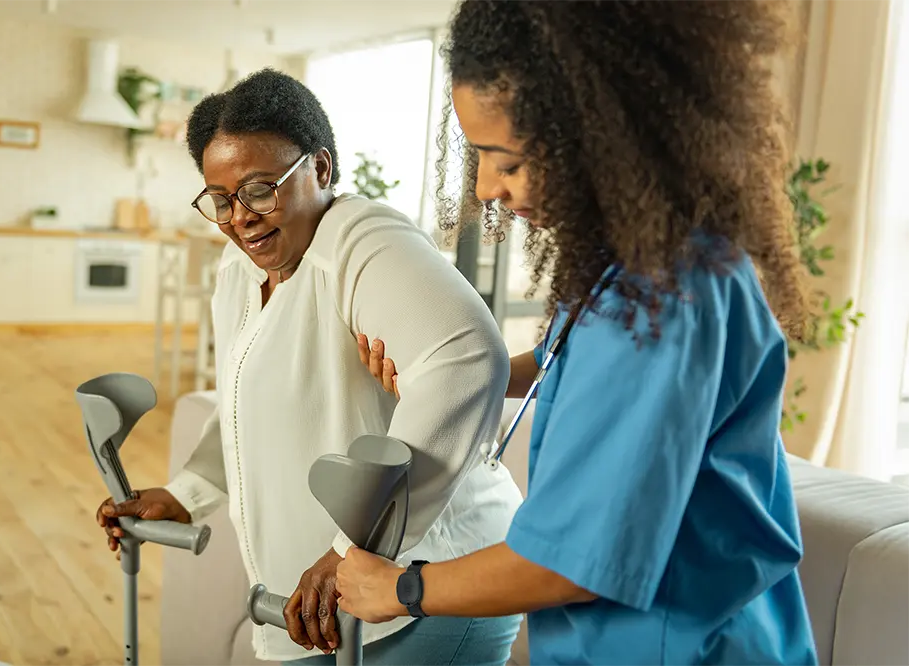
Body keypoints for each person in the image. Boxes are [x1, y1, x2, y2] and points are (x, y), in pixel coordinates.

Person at [335, 0, 821, 664]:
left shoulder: (659, 298)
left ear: (598, 135)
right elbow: (565, 357)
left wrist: (400, 588)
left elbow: (571, 565)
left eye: (506, 162)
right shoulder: (628, 264)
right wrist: (463, 375)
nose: (484, 189)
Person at [94, 69, 524, 665]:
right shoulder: (240, 272)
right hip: (329, 605)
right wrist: (187, 493)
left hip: (421, 592)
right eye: (220, 199)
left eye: (261, 188)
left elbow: (469, 359)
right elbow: (248, 407)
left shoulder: (363, 241)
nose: (240, 216)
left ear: (320, 169)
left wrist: (355, 548)